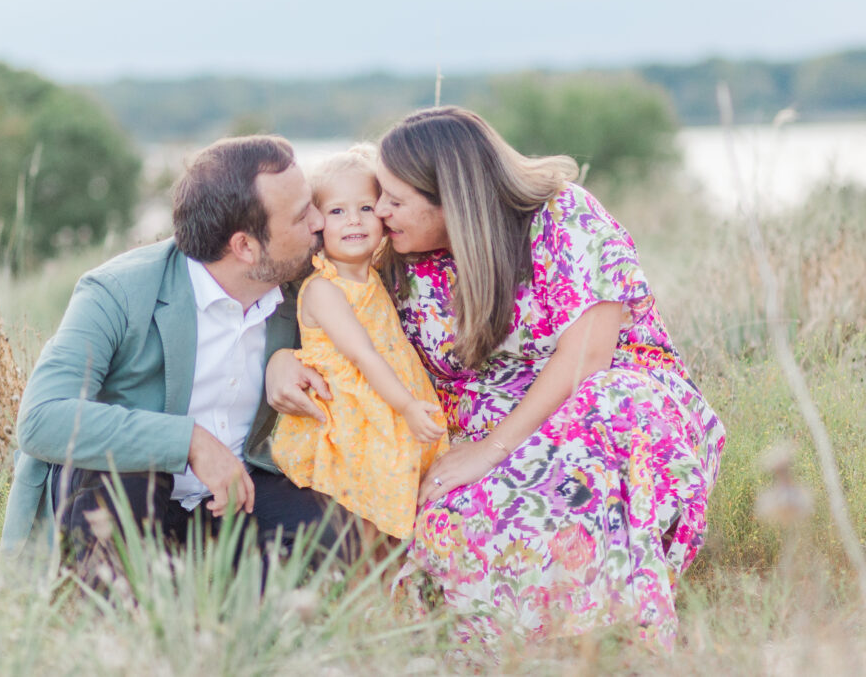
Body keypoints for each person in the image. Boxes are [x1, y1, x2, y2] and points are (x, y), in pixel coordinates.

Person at [268, 107, 725, 649]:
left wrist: (492, 449)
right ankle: (517, 639)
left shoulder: (563, 217)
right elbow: (311, 292)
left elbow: (589, 356)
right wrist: (282, 357)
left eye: (392, 198)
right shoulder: (399, 252)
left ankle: (612, 633)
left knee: (603, 419)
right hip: (472, 429)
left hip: (599, 404)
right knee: (449, 528)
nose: (380, 212)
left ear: (449, 196)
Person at [0, 135, 345, 570]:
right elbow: (41, 419)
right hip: (133, 495)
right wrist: (189, 442)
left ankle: (244, 628)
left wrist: (283, 361)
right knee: (117, 494)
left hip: (237, 503)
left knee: (334, 531)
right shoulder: (117, 293)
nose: (319, 222)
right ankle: (124, 622)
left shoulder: (309, 288)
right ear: (244, 247)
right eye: (301, 216)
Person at [270, 146, 448, 543]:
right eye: (337, 211)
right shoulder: (324, 290)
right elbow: (363, 355)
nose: (353, 220)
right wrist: (406, 406)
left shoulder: (375, 273)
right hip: (355, 418)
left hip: (384, 407)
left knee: (395, 513)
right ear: (317, 224)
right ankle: (362, 596)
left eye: (366, 208)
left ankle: (393, 594)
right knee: (363, 522)